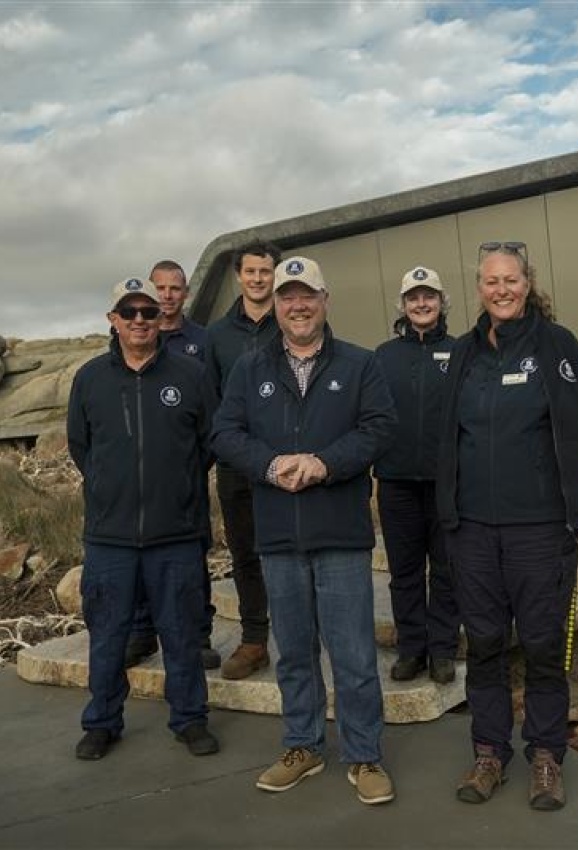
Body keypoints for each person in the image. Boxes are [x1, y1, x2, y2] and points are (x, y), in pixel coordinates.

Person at [211, 256, 398, 805]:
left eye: (307, 295)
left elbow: (380, 428)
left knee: (354, 654)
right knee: (292, 651)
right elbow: (225, 431)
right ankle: (303, 745)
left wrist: (324, 463)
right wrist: (270, 465)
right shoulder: (250, 367)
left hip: (339, 531)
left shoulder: (361, 365)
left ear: (324, 299)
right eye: (288, 296)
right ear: (276, 303)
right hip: (278, 535)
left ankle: (364, 756)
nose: (297, 305)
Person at [436, 241, 578, 811]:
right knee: (483, 644)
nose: (501, 290)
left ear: (527, 283)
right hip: (473, 531)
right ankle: (488, 753)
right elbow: (447, 434)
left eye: (510, 280)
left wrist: (562, 498)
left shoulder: (558, 345)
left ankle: (546, 755)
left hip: (541, 529)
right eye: (490, 282)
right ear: (478, 289)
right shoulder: (463, 352)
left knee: (542, 645)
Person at [67, 277, 219, 761]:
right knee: (108, 636)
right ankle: (102, 722)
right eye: (128, 311)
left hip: (174, 534)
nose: (138, 320)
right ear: (112, 319)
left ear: (160, 319)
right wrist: (112, 490)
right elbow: (80, 446)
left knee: (181, 633)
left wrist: (174, 490)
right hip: (109, 538)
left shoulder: (191, 375)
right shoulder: (89, 378)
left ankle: (190, 720)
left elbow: (206, 444)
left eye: (148, 312)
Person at [124, 259, 220, 671]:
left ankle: (197, 637)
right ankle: (143, 633)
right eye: (159, 288)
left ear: (185, 292)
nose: (166, 296)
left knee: (191, 559)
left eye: (174, 288)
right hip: (136, 486)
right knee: (138, 558)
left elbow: (211, 420)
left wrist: (189, 467)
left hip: (186, 483)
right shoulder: (131, 336)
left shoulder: (203, 341)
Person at [374, 266, 460, 684]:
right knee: (405, 573)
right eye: (413, 298)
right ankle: (412, 649)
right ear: (403, 306)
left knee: (446, 570)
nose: (421, 304)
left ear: (442, 302)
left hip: (448, 484)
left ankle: (442, 650)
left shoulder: (464, 353)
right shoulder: (383, 357)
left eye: (429, 297)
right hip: (396, 483)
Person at [207, 243, 281, 680]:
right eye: (250, 272)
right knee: (245, 554)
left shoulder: (291, 323)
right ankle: (254, 641)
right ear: (239, 276)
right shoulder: (216, 336)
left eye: (265, 272)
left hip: (284, 464)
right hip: (235, 466)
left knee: (289, 552)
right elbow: (212, 404)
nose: (258, 279)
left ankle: (297, 638)